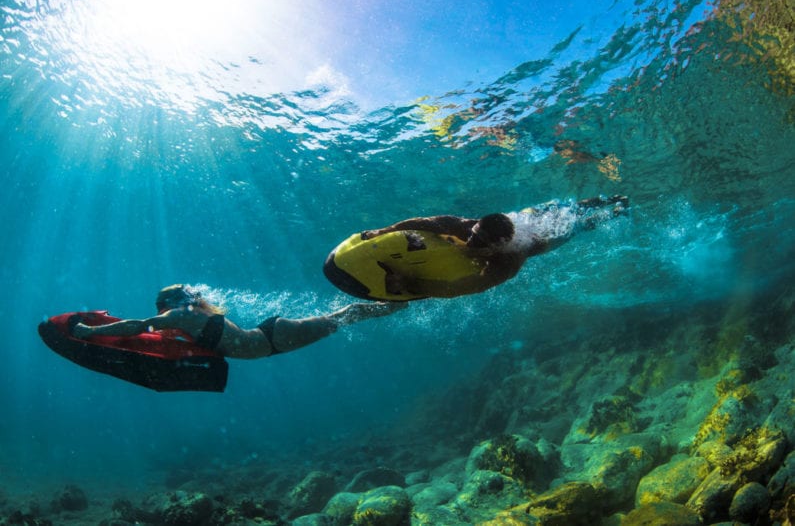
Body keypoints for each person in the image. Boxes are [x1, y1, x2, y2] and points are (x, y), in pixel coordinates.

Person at [358, 195, 629, 298]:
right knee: (554, 207)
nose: (471, 242)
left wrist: (411, 283)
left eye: (480, 243)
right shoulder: (467, 225)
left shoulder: (510, 260)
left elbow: (465, 287)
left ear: (497, 247)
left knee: (574, 225)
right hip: (522, 217)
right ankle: (600, 201)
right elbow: (423, 222)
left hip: (544, 238)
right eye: (474, 235)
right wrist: (385, 231)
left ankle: (611, 208)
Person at [72, 284, 406, 359]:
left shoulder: (179, 316)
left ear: (170, 304)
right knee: (340, 318)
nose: (157, 310)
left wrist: (90, 330)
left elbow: (135, 326)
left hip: (273, 339)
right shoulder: (189, 318)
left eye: (159, 305)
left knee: (344, 318)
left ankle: (395, 301)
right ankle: (389, 302)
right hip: (271, 337)